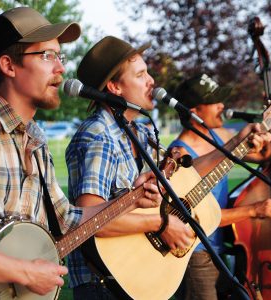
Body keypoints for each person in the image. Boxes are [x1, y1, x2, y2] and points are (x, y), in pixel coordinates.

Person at [0, 8, 161, 296]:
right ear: (9, 65)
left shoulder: (36, 141)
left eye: (61, 57)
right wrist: (25, 272)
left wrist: (132, 199)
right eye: (47, 56)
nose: (60, 68)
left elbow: (69, 219)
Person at [65, 36, 195, 300]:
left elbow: (182, 176)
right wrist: (162, 223)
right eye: (141, 74)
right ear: (114, 86)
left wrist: (239, 144)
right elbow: (90, 222)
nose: (151, 81)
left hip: (130, 277)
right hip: (102, 284)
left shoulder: (139, 131)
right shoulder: (99, 136)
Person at [169, 73, 271, 300]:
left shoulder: (219, 137)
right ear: (195, 112)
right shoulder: (180, 154)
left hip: (221, 249)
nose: (223, 105)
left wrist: (268, 126)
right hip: (197, 255)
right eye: (214, 102)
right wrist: (253, 210)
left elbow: (264, 156)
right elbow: (199, 217)